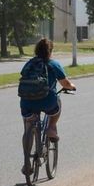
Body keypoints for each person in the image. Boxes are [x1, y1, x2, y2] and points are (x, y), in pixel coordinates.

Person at [20, 37, 75, 176]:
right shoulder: (53, 64)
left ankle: (27, 163)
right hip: (47, 101)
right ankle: (51, 128)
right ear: (50, 51)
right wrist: (72, 86)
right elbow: (65, 84)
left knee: (28, 128)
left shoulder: (29, 64)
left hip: (27, 102)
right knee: (57, 105)